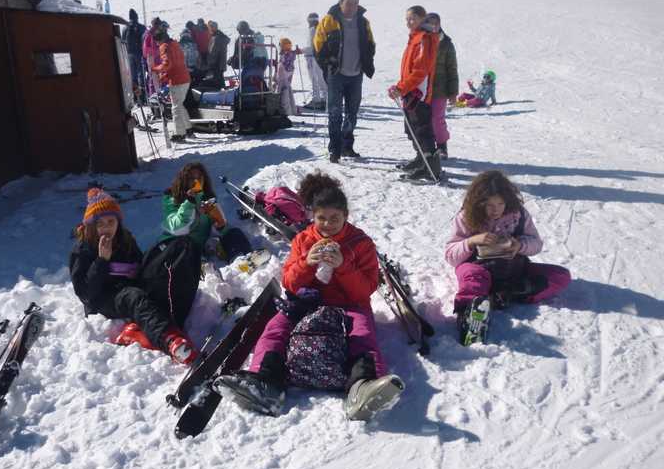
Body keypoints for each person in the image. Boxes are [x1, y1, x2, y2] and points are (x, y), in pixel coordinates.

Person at [214, 172, 404, 421]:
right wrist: (306, 263)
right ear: (312, 216)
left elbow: (365, 289)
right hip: (308, 302)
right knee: (275, 329)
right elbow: (289, 283)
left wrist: (343, 266)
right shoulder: (303, 240)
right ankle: (265, 382)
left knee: (362, 335)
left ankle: (363, 387)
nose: (327, 224)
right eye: (321, 218)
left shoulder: (361, 243)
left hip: (350, 305)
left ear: (346, 216)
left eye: (334, 218)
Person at [69, 188, 197, 364]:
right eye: (100, 223)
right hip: (104, 299)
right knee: (134, 297)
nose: (106, 227)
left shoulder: (125, 239)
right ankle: (171, 340)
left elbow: (139, 264)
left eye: (111, 221)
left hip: (129, 286)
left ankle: (153, 328)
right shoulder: (83, 248)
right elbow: (85, 293)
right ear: (92, 225)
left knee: (171, 255)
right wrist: (101, 261)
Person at [444, 170, 571, 340]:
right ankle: (470, 315)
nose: (495, 210)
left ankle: (504, 295)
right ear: (478, 202)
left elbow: (536, 243)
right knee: (473, 279)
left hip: (513, 270)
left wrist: (520, 245)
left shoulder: (518, 215)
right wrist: (472, 241)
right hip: (478, 268)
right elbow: (450, 255)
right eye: (489, 205)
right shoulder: (466, 217)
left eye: (500, 204)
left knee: (560, 276)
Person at [314, 0, 376, 163]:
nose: (352, 7)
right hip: (336, 74)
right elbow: (318, 46)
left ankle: (347, 146)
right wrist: (328, 63)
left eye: (355, 3)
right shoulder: (328, 21)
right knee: (335, 113)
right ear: (341, 2)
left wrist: (366, 61)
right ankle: (335, 149)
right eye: (349, 3)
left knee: (352, 113)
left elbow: (371, 44)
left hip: (356, 74)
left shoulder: (363, 23)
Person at [389, 6, 441, 181]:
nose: (409, 22)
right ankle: (421, 160)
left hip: (418, 92)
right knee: (412, 128)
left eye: (412, 19)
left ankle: (431, 168)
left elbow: (420, 71)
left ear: (422, 19)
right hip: (410, 90)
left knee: (421, 129)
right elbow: (409, 70)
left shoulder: (424, 38)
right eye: (407, 19)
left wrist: (402, 88)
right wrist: (400, 86)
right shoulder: (415, 38)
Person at [425, 12, 458, 160]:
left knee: (437, 119)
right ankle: (427, 148)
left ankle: (442, 146)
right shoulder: (421, 40)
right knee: (423, 120)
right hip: (423, 89)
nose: (433, 26)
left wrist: (453, 92)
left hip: (440, 89)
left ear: (440, 24)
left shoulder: (446, 44)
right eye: (429, 23)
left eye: (435, 23)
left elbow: (452, 68)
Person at [152, 25, 192, 142]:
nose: (157, 44)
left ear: (159, 40)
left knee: (176, 107)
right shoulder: (174, 43)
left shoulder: (164, 46)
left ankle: (180, 133)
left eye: (156, 42)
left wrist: (155, 69)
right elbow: (175, 63)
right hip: (185, 78)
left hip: (177, 80)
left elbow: (167, 64)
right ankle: (188, 129)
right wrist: (165, 75)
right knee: (180, 105)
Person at [303, 12, 327, 110]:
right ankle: (324, 99)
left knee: (315, 79)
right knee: (320, 79)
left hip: (313, 58)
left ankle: (317, 100)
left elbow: (312, 46)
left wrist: (302, 51)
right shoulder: (319, 29)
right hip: (318, 58)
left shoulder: (313, 30)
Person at [121, 9, 146, 103]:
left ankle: (136, 98)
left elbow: (122, 41)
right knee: (141, 75)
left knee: (133, 76)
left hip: (129, 55)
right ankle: (143, 97)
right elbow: (145, 40)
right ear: (136, 17)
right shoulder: (141, 27)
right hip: (139, 54)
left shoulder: (125, 28)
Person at [202, 20, 230, 89]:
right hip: (221, 64)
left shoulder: (216, 38)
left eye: (210, 28)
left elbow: (213, 52)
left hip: (216, 64)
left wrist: (208, 61)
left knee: (216, 83)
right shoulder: (221, 36)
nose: (209, 30)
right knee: (220, 80)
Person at [275, 37, 299, 116]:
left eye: (280, 45)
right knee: (288, 90)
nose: (279, 47)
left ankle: (286, 111)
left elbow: (281, 64)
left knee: (282, 93)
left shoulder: (284, 55)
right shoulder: (291, 54)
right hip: (288, 74)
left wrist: (276, 77)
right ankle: (293, 110)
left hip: (282, 75)